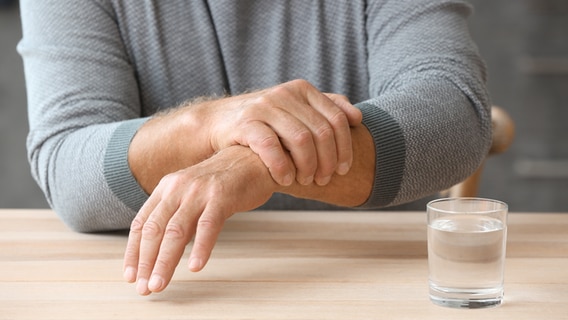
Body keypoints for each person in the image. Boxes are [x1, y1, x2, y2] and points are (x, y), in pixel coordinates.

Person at [18, 0, 492, 296]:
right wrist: (204, 125)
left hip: (370, 286)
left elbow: (456, 113)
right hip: (168, 291)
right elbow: (67, 163)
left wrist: (255, 156)